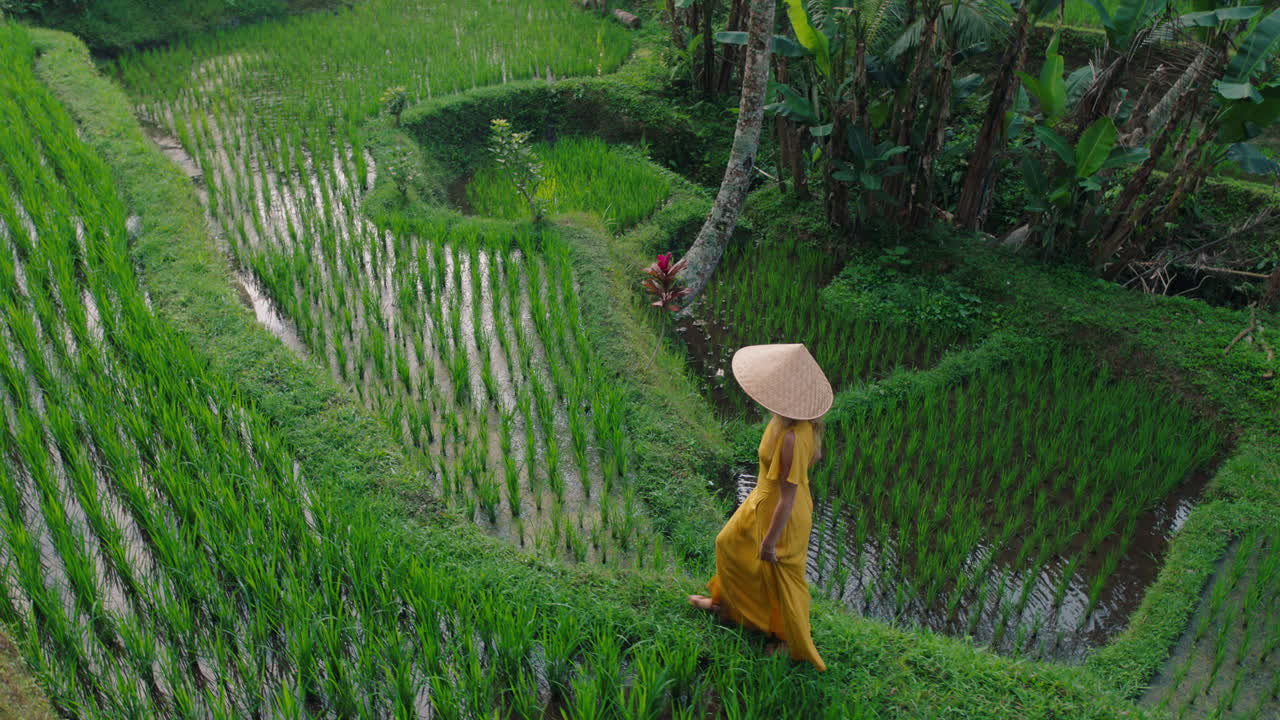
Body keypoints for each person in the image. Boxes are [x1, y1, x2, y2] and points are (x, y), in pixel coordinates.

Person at [689, 343, 831, 671]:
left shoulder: (795, 435)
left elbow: (789, 497)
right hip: (762, 498)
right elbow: (817, 457)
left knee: (780, 576)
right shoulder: (787, 421)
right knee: (729, 545)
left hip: (783, 513)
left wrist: (769, 543)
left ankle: (786, 640)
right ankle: (725, 606)